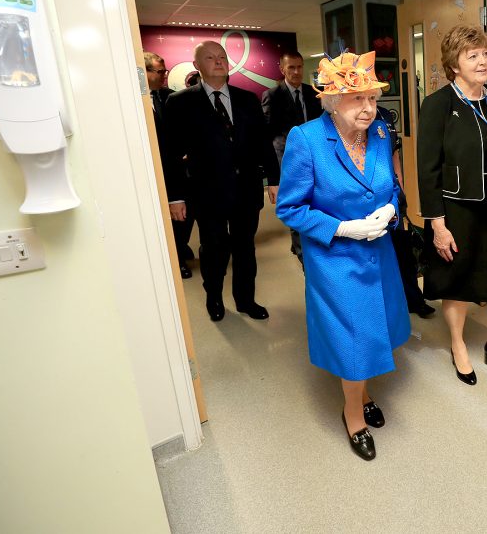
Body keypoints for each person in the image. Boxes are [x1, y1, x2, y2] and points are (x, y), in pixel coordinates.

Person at [276, 51, 410, 461]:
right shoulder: (307, 139)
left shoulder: (382, 134)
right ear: (332, 101)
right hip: (335, 260)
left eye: (372, 98)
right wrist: (341, 227)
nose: (369, 108)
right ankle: (354, 413)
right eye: (357, 99)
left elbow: (390, 188)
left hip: (378, 253)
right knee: (353, 336)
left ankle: (364, 392)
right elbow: (290, 208)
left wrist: (391, 208)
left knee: (373, 328)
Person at [417, 25, 487, 386]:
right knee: (457, 278)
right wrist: (437, 223)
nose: (482, 62)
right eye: (472, 56)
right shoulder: (437, 105)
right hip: (457, 208)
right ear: (454, 64)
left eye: (485, 54)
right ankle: (458, 345)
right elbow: (427, 168)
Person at [164, 41, 280, 322]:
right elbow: (169, 152)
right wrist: (175, 196)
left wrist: (274, 179)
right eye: (210, 57)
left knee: (245, 248)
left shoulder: (247, 99)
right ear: (197, 66)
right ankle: (214, 298)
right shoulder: (180, 103)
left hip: (246, 189)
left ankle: (246, 300)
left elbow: (263, 143)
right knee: (214, 249)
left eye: (222, 56)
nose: (218, 61)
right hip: (206, 192)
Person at [261, 50, 323, 265]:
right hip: (287, 158)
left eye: (299, 67)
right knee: (296, 200)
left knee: (314, 198)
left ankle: (305, 238)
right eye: (291, 68)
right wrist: (273, 176)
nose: (296, 72)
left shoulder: (313, 92)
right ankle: (301, 250)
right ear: (282, 69)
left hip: (315, 155)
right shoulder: (272, 95)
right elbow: (268, 133)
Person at [375, 105, 435, 318]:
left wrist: (401, 188)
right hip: (370, 197)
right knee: (379, 253)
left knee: (403, 250)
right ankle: (385, 306)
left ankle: (414, 300)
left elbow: (394, 154)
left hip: (393, 194)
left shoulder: (385, 114)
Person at [145, 51, 193, 279]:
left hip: (179, 168)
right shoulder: (134, 103)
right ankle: (176, 259)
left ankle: (180, 247)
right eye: (159, 71)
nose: (164, 75)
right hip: (152, 171)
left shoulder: (172, 97)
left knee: (185, 214)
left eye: (165, 71)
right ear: (144, 72)